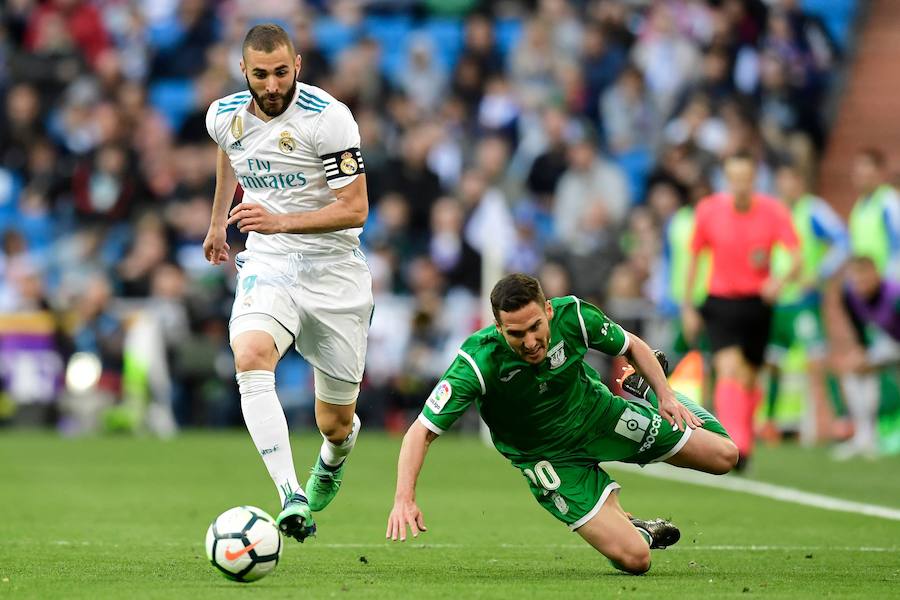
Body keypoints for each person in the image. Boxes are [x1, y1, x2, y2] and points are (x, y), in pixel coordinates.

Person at [386, 274, 738, 575]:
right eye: (516, 333)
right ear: (498, 327)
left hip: (601, 417)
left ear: (549, 311)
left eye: (536, 326)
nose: (530, 342)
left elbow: (632, 345)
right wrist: (404, 498)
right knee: (636, 559)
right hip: (548, 458)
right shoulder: (478, 361)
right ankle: (636, 528)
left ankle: (643, 389)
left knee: (724, 456)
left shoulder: (574, 316)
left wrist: (665, 395)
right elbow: (421, 431)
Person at [203, 24, 373, 542]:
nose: (273, 85)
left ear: (296, 64)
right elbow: (228, 153)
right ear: (244, 72)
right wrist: (217, 222)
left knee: (335, 423)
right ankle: (290, 495)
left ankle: (333, 458)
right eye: (261, 74)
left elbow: (356, 207)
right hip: (270, 261)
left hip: (335, 270)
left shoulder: (330, 118)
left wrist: (279, 220)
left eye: (281, 72)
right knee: (251, 354)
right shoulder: (223, 116)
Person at [682, 152, 800, 469]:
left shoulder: (773, 212)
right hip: (720, 302)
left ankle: (744, 439)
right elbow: (693, 258)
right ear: (726, 180)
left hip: (757, 304)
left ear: (755, 179)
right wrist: (688, 306)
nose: (740, 185)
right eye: (734, 179)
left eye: (746, 178)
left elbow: (797, 255)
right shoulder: (709, 211)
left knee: (748, 376)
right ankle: (735, 443)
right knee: (727, 367)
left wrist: (780, 280)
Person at [763, 162, 849, 441]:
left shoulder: (813, 209)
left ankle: (841, 421)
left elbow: (842, 240)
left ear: (800, 182)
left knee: (817, 361)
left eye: (791, 180)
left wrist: (820, 273)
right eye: (782, 181)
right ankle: (770, 423)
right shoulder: (773, 212)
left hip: (803, 301)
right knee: (773, 362)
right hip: (778, 304)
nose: (786, 186)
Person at [833, 255, 900, 458]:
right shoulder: (849, 295)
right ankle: (865, 436)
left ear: (875, 274)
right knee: (854, 367)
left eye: (864, 280)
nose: (860, 286)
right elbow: (858, 326)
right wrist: (861, 349)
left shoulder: (894, 295)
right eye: (856, 281)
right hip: (888, 343)